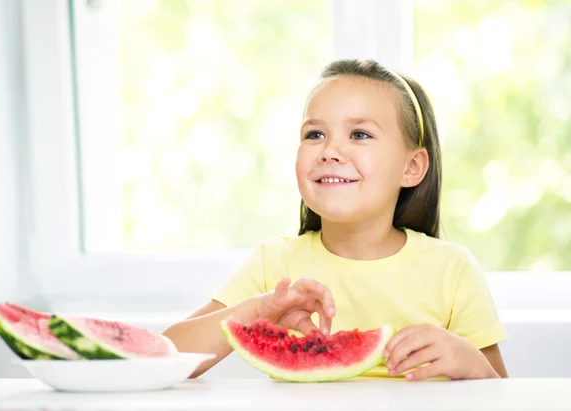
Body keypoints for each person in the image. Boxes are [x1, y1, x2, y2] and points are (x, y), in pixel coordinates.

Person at [163, 59, 508, 381]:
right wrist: (256, 310)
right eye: (314, 134)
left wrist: (468, 360)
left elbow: (502, 392)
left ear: (411, 167)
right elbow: (167, 356)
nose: (329, 150)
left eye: (359, 134)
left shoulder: (452, 269)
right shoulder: (276, 263)